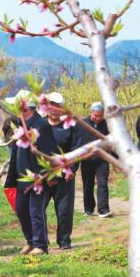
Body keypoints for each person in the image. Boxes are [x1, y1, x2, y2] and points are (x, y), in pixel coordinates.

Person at [4, 90, 58, 255]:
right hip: (22, 176)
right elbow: (16, 151)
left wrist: (50, 176)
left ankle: (40, 245)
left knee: (35, 211)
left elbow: (50, 152)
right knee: (21, 210)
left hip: (37, 176)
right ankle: (30, 241)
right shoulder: (20, 124)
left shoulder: (41, 125)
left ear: (25, 106)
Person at [44, 92, 80, 250]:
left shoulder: (70, 126)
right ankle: (41, 241)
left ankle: (64, 241)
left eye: (57, 106)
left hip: (65, 175)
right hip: (43, 175)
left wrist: (72, 169)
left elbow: (77, 150)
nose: (54, 109)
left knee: (64, 209)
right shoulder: (40, 125)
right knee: (38, 209)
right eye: (51, 105)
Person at [80, 101, 111, 218]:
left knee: (103, 184)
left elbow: (111, 142)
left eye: (100, 116)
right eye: (96, 115)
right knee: (88, 184)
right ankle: (88, 208)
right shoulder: (83, 123)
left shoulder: (106, 125)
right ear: (91, 113)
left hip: (102, 159)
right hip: (86, 159)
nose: (98, 118)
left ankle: (103, 210)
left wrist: (116, 158)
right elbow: (77, 140)